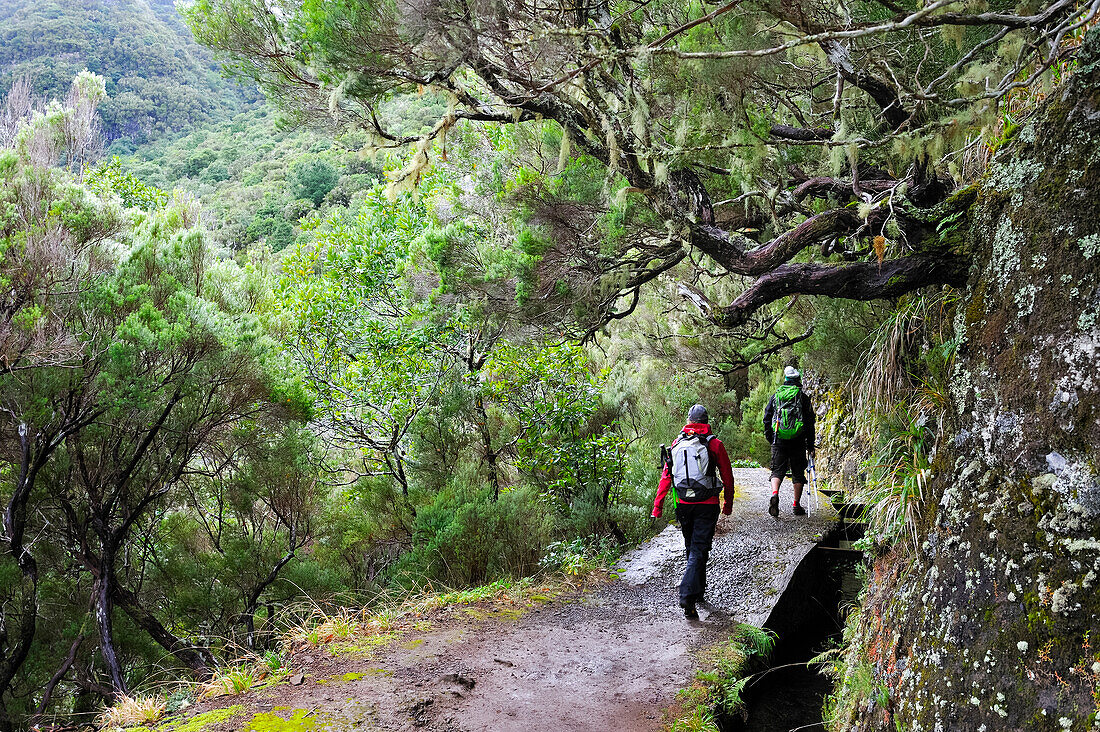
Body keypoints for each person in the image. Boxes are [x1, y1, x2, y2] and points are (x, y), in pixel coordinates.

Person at [651, 404, 735, 619]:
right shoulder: (715, 444)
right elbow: (727, 475)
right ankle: (688, 596)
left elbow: (667, 476)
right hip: (707, 505)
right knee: (699, 549)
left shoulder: (677, 443)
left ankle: (698, 592)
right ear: (707, 422)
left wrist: (658, 506)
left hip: (683, 505)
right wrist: (728, 503)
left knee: (692, 548)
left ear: (689, 421)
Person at [763, 366, 816, 517]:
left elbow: (767, 419)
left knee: (777, 470)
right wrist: (810, 444)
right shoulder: (802, 397)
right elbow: (810, 422)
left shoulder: (776, 396)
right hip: (798, 440)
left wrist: (770, 437)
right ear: (797, 380)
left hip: (778, 438)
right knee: (798, 472)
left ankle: (774, 494)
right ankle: (796, 505)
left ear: (785, 379)